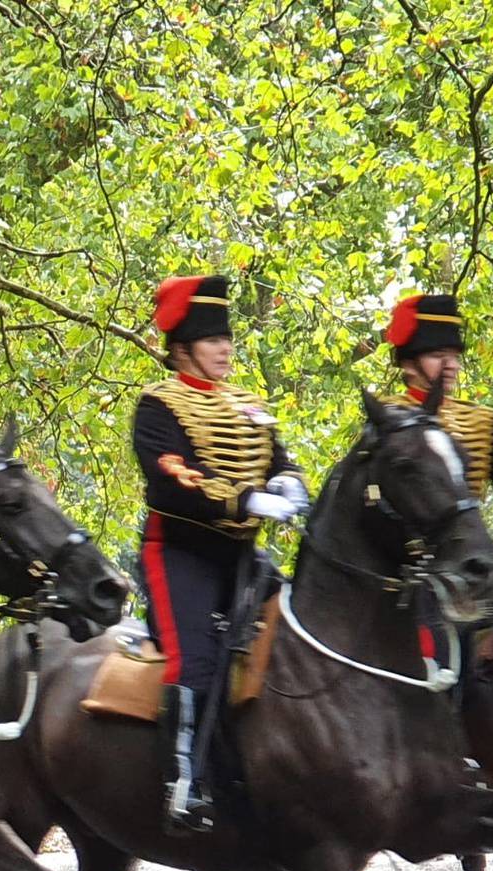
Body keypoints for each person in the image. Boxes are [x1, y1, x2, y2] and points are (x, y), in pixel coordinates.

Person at [134, 274, 308, 834]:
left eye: (227, 338)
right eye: (213, 340)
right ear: (183, 347)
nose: (225, 348)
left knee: (302, 634)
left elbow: (278, 459)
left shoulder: (251, 406)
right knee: (197, 660)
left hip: (242, 558)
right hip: (179, 553)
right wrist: (244, 497)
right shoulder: (159, 405)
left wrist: (289, 482)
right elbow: (171, 478)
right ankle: (184, 782)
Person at [382, 293, 493, 532]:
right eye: (438, 356)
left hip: (467, 547)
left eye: (454, 357)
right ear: (409, 364)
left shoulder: (478, 421)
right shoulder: (387, 417)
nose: (452, 365)